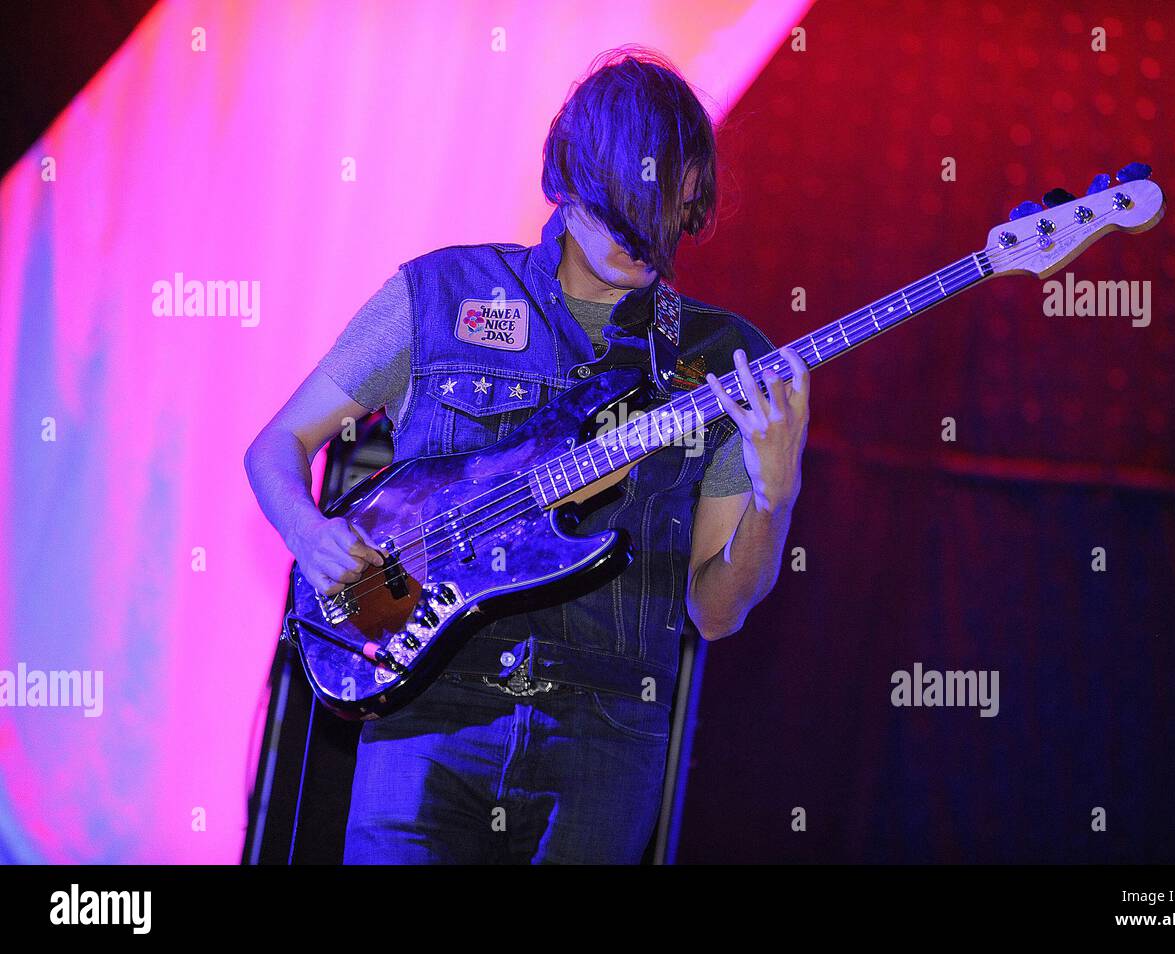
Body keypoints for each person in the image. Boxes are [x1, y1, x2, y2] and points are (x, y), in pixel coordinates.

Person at [244, 47, 810, 864]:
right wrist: (309, 534)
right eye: (630, 212)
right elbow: (276, 444)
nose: (652, 242)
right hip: (427, 711)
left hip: (605, 736)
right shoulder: (441, 295)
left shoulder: (723, 361)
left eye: (674, 214)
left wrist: (776, 495)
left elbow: (715, 612)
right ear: (569, 179)